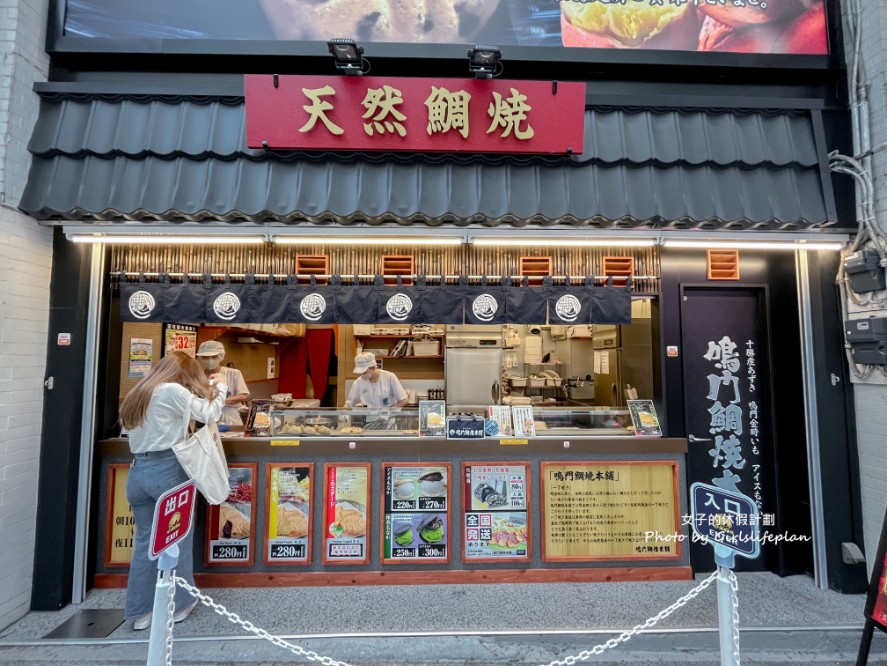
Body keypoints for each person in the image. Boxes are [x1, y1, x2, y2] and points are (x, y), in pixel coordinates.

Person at [118, 351, 227, 631]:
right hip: (167, 469)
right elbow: (209, 413)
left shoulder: (140, 391)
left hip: (138, 472)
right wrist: (222, 387)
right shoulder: (171, 390)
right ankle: (180, 605)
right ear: (184, 373)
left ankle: (139, 613)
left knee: (144, 543)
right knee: (177, 539)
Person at [195, 340, 250, 426]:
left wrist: (221, 401)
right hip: (206, 418)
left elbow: (244, 395)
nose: (209, 360)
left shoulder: (234, 373)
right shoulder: (197, 376)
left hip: (230, 417)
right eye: (205, 357)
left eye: (213, 357)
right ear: (200, 358)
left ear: (220, 356)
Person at [344, 351, 408, 409]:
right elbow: (349, 404)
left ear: (373, 367)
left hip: (389, 420)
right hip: (369, 420)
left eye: (364, 372)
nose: (362, 375)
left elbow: (403, 399)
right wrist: (343, 414)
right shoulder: (358, 382)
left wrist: (389, 412)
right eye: (360, 373)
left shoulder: (389, 377)